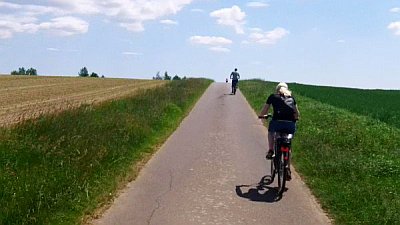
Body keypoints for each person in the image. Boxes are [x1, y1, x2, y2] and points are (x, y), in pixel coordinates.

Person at [258, 82, 300, 179]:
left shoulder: (273, 96)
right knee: (288, 145)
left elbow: (265, 109)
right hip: (290, 125)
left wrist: (261, 116)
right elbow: (297, 113)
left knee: (271, 132)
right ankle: (288, 168)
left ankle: (271, 150)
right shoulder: (292, 98)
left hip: (277, 123)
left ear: (277, 90)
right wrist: (296, 118)